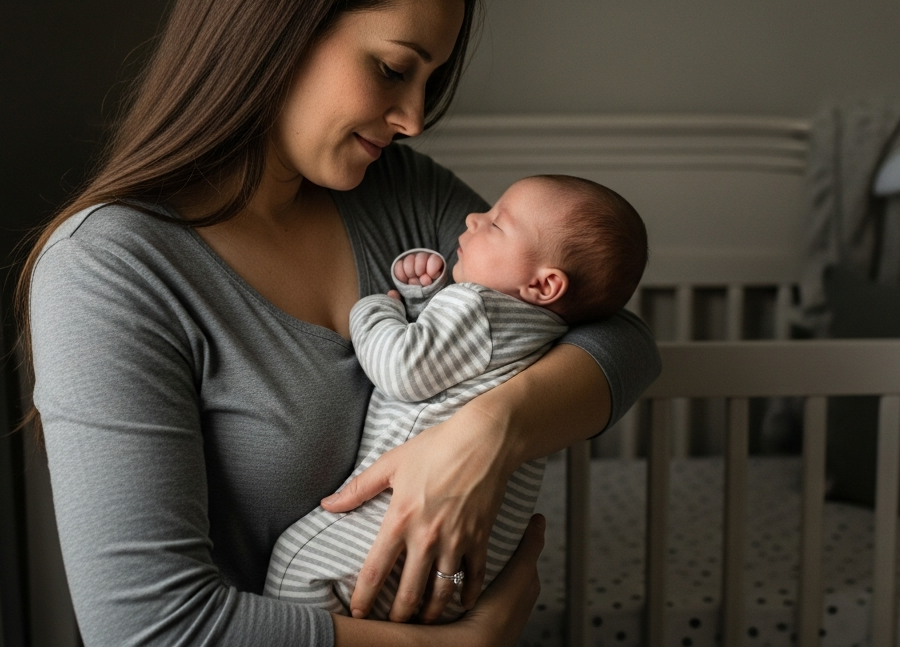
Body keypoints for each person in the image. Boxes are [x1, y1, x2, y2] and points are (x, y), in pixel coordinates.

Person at [18, 0, 661, 645]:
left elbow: (618, 338)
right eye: (394, 69)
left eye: (430, 80)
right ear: (276, 25)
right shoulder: (111, 271)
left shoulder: (395, 193)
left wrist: (489, 432)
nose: (415, 118)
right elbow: (149, 629)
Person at [266, 175, 650, 621]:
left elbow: (404, 370)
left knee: (295, 569)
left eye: (497, 223)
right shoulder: (546, 334)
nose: (473, 217)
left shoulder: (476, 304)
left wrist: (373, 309)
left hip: (380, 530)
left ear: (545, 286)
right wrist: (425, 300)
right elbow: (456, 367)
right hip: (459, 569)